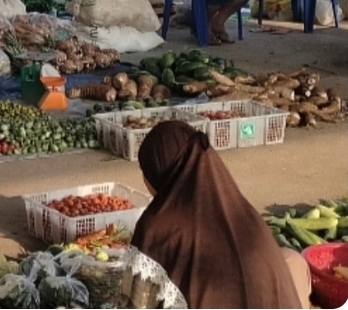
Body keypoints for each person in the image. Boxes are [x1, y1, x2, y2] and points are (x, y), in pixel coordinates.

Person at [132, 121, 309, 309]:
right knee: (292, 259)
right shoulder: (245, 214)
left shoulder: (157, 227)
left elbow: (136, 302)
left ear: (157, 173)